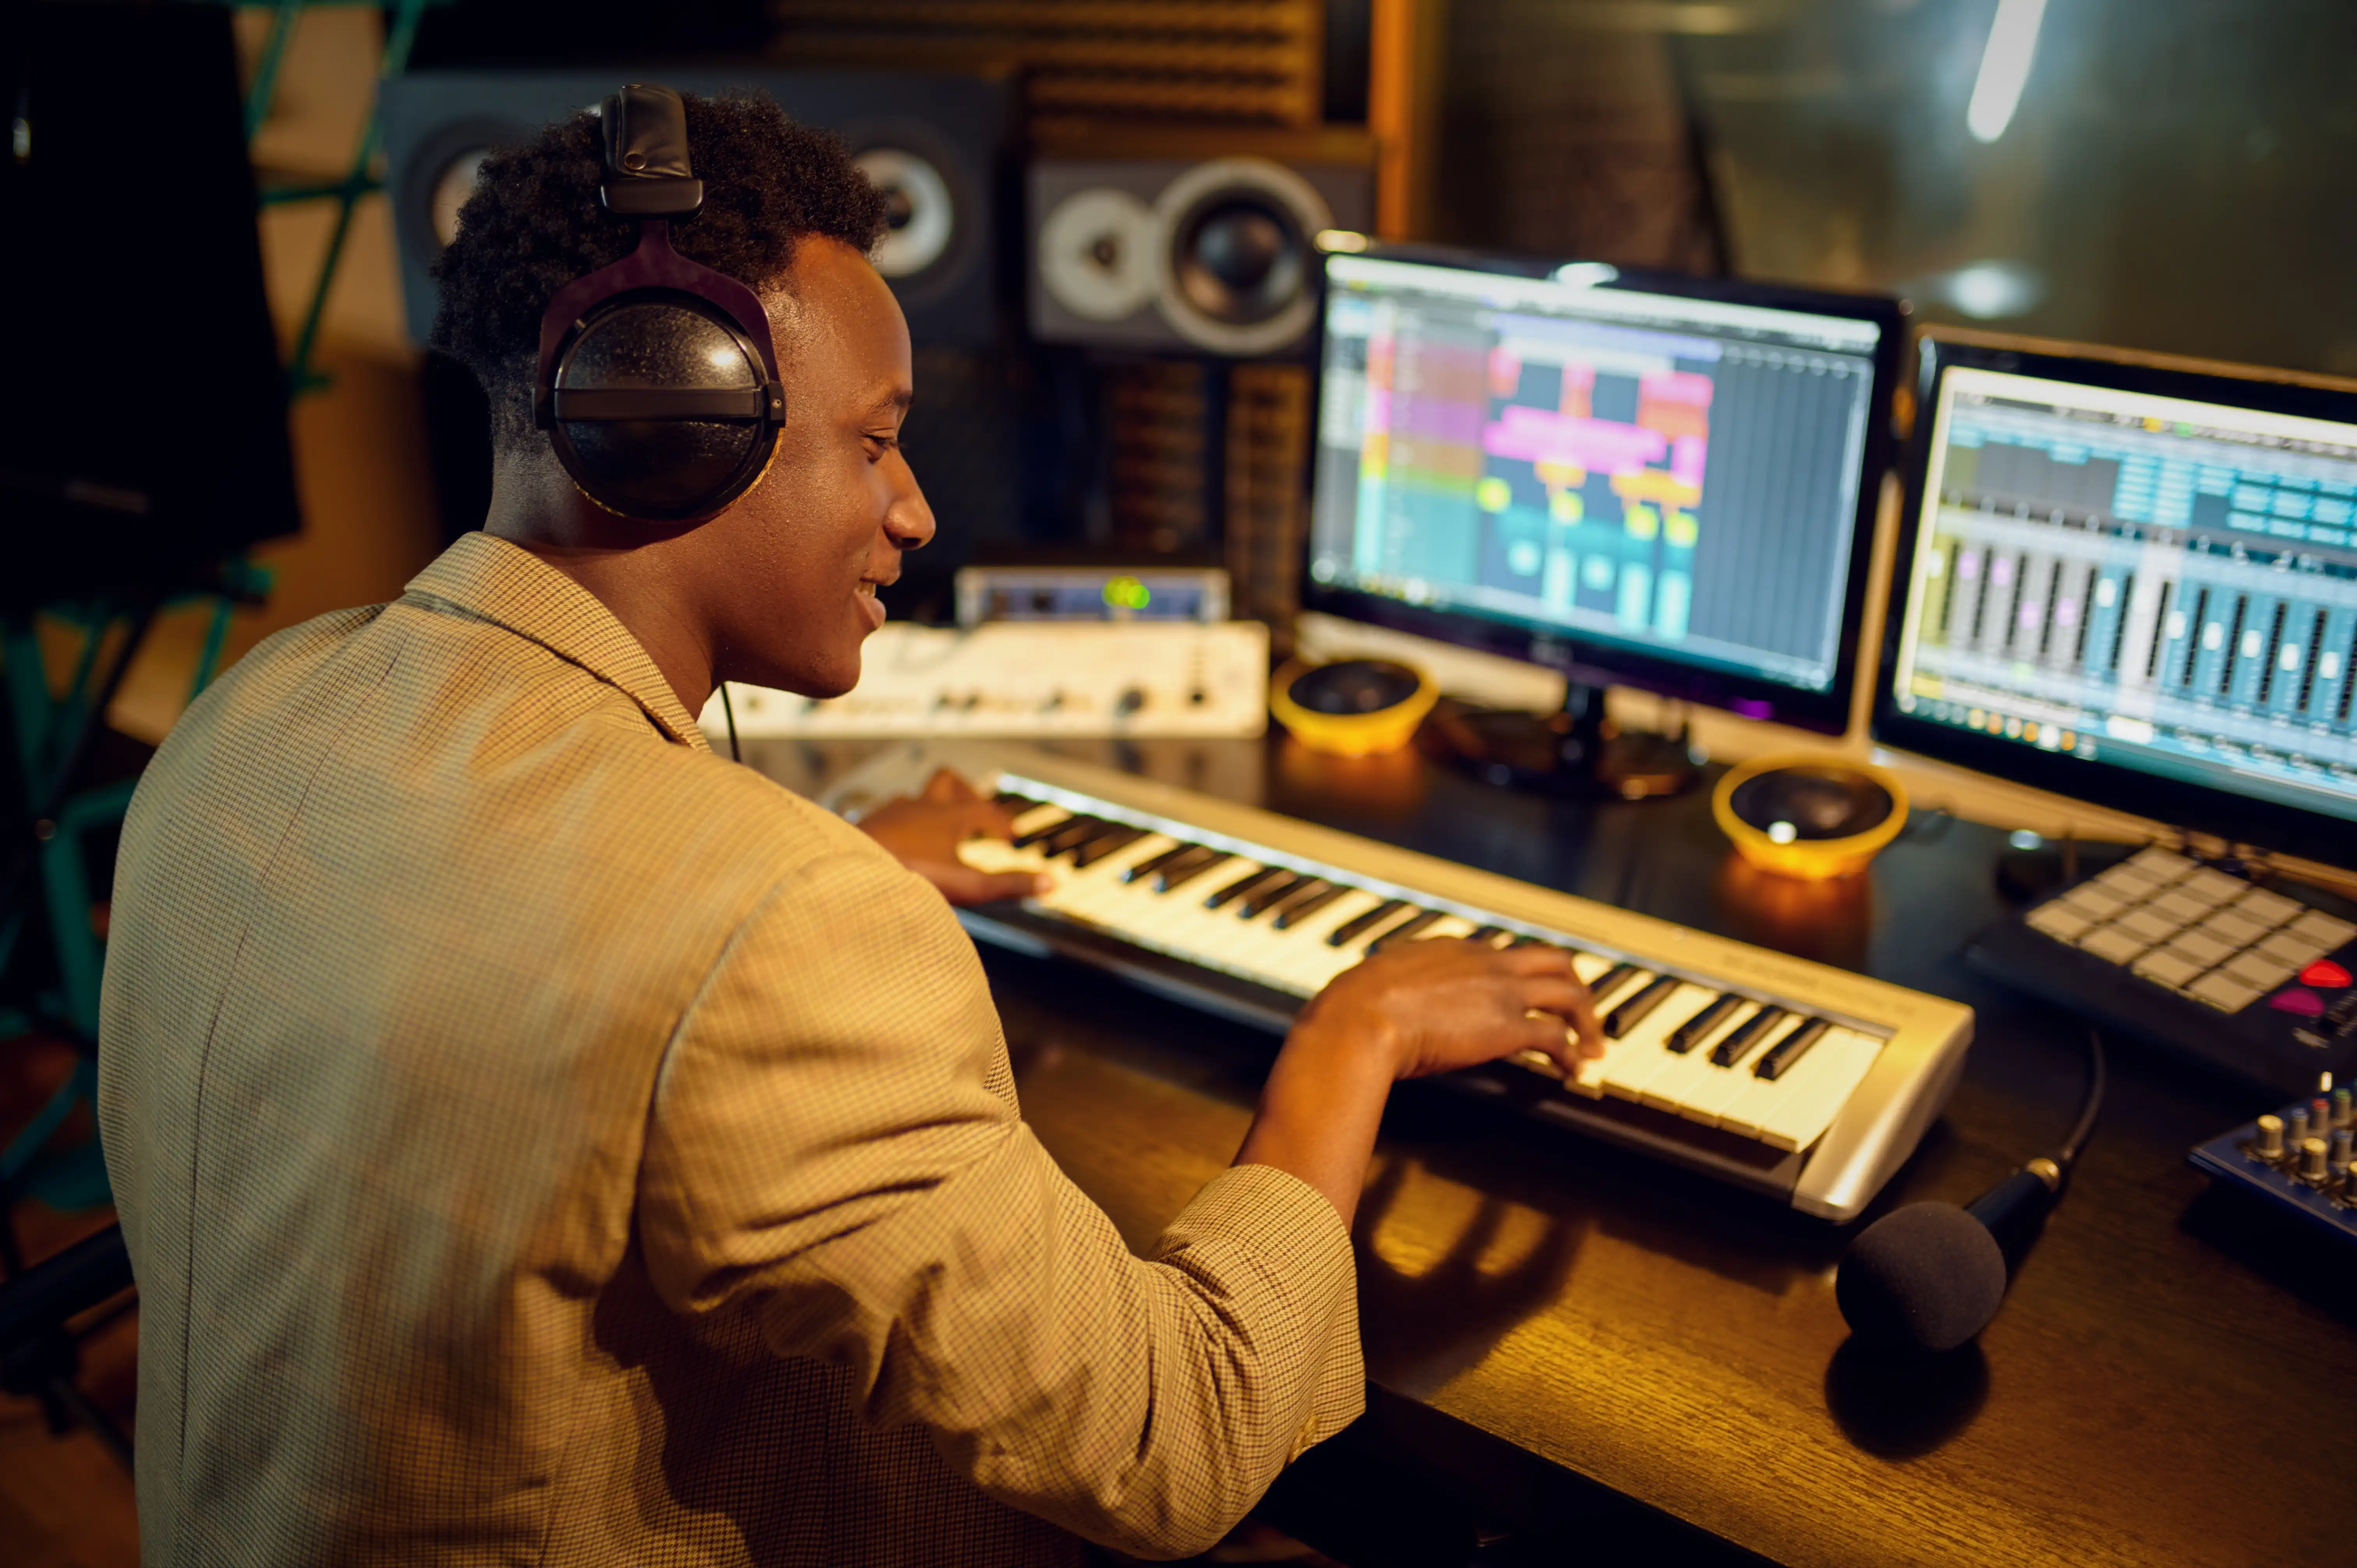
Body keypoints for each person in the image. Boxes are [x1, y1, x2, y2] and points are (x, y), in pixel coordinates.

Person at [97, 91, 1601, 1566]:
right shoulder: (775, 922)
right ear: (672, 427)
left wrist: (813, 876)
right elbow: (1172, 1443)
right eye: (874, 442)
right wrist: (1350, 1042)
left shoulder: (260, 707)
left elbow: (516, 957)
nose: (918, 510)